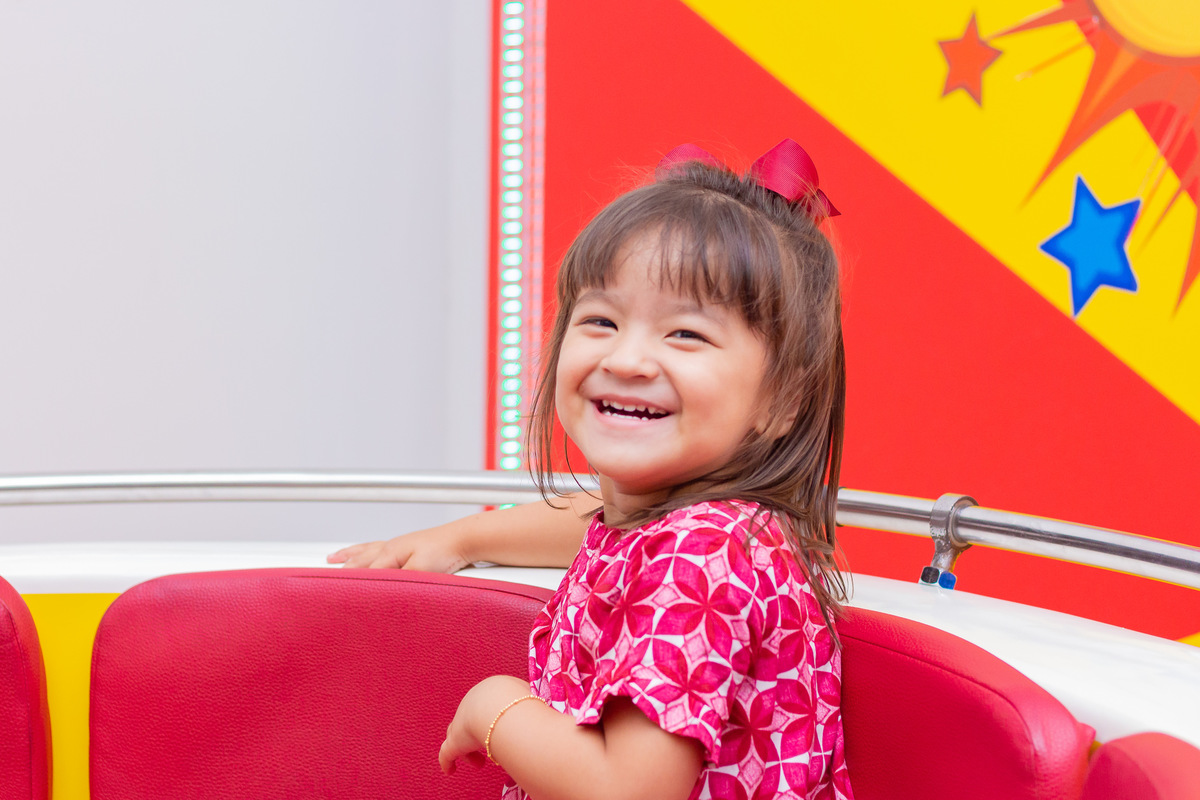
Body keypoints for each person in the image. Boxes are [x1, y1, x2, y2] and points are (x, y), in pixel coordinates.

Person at [328, 139, 854, 800]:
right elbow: (592, 526)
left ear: (783, 400)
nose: (629, 358)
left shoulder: (698, 558)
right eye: (601, 320)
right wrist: (459, 540)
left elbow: (627, 792)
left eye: (685, 334)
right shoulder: (711, 532)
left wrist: (495, 707)